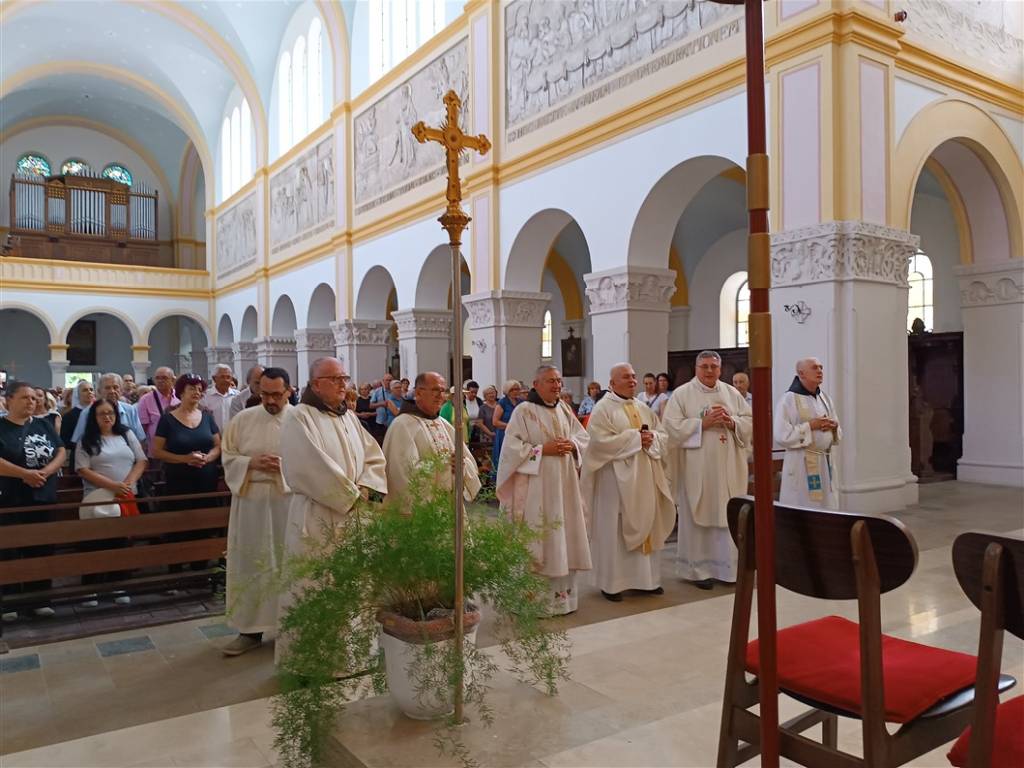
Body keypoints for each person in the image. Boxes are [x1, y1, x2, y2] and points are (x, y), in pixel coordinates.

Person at [277, 357, 387, 663]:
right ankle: (315, 662)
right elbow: (309, 465)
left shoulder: (348, 416)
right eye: (334, 379)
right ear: (315, 384)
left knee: (355, 586)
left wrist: (367, 486)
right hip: (318, 516)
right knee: (317, 584)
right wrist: (350, 495)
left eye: (344, 378)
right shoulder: (299, 417)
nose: (343, 384)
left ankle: (355, 657)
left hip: (355, 514)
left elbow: (373, 456)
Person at [495, 365, 590, 615]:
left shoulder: (564, 409)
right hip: (536, 488)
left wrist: (573, 445)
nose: (556, 385)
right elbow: (510, 450)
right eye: (550, 381)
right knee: (539, 534)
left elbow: (582, 437)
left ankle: (562, 600)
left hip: (565, 485)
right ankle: (532, 601)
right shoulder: (523, 411)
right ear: (536, 385)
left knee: (563, 532)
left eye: (558, 381)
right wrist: (542, 450)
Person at [581, 363, 675, 602]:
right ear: (612, 383)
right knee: (614, 528)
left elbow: (663, 436)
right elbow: (597, 443)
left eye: (633, 376)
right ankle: (612, 584)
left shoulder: (643, 408)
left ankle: (647, 581)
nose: (632, 381)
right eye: (626, 377)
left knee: (648, 521)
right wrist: (635, 439)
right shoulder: (603, 409)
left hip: (645, 477)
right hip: (614, 482)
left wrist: (651, 438)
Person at [662, 350, 752, 589]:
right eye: (704, 366)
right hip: (697, 467)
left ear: (720, 369)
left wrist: (732, 422)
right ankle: (698, 571)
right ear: (696, 368)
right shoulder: (682, 394)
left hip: (727, 467)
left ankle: (726, 569)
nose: (709, 370)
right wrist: (702, 424)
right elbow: (670, 428)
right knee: (697, 513)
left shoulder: (732, 393)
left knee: (727, 513)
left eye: (714, 366)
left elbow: (749, 421)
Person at [220, 367, 294, 656]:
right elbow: (228, 457)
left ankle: (291, 628)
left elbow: (313, 460)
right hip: (250, 502)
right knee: (250, 564)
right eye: (265, 394)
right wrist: (250, 463)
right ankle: (249, 630)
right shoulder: (243, 419)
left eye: (276, 394)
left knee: (289, 564)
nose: (270, 400)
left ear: (289, 392)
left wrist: (284, 467)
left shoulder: (302, 420)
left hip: (288, 501)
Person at [0, 381, 66, 618]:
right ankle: (9, 602)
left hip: (43, 496)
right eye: (25, 397)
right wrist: (24, 474)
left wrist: (45, 472)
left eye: (33, 398)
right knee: (9, 550)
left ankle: (39, 598)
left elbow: (60, 451)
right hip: (11, 499)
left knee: (41, 548)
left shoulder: (43, 424)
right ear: (8, 400)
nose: (31, 401)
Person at [74, 398, 148, 605]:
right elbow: (83, 469)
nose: (107, 417)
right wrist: (112, 485)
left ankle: (118, 585)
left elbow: (141, 460)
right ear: (94, 417)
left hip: (125, 496)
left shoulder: (126, 434)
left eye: (111, 413)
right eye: (102, 414)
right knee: (95, 544)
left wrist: (127, 483)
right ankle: (90, 588)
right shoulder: (86, 440)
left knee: (120, 543)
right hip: (97, 498)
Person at [152, 374, 221, 573]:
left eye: (200, 389)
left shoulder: (207, 417)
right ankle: (176, 567)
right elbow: (157, 451)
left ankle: (200, 566)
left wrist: (208, 457)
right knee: (179, 524)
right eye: (192, 389)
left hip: (205, 480)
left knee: (203, 524)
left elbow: (218, 445)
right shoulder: (168, 420)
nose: (197, 392)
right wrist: (184, 459)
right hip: (179, 481)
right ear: (181, 392)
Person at [383, 372, 481, 503]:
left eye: (443, 391)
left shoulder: (444, 424)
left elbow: (467, 460)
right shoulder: (402, 425)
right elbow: (403, 474)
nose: (440, 396)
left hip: (448, 503)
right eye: (435, 390)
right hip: (420, 510)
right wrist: (445, 465)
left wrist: (460, 464)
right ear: (418, 393)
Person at [774, 357, 842, 509]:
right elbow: (781, 435)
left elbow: (837, 427)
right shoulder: (788, 399)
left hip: (825, 462)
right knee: (804, 506)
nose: (820, 371)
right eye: (814, 367)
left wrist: (833, 426)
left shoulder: (825, 398)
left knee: (826, 506)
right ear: (801, 373)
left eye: (821, 367)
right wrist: (810, 426)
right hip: (801, 463)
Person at [70, 373, 146, 446]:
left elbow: (140, 438)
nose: (112, 391)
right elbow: (78, 441)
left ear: (121, 390)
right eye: (107, 388)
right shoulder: (87, 412)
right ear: (99, 391)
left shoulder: (130, 410)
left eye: (115, 387)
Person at [137, 367, 179, 455]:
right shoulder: (145, 400)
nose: (160, 381)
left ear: (173, 380)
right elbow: (143, 429)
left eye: (164, 378)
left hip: (179, 449)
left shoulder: (180, 397)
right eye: (157, 378)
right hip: (157, 452)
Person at [491, 380, 522, 476]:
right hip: (504, 435)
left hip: (518, 435)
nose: (516, 391)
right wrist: (510, 426)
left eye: (517, 389)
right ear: (507, 391)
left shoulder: (521, 402)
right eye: (513, 390)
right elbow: (495, 422)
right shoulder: (502, 402)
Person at [201, 364, 240, 432]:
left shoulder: (238, 396)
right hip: (212, 436)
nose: (226, 380)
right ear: (214, 379)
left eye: (228, 377)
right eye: (222, 377)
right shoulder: (205, 396)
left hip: (233, 436)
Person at [61, 379, 96, 454]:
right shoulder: (69, 416)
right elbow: (65, 439)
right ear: (78, 394)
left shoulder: (98, 411)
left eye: (91, 389)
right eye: (85, 390)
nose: (89, 392)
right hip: (79, 452)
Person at [369, 372, 394, 438]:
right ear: (383, 381)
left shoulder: (395, 391)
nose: (388, 382)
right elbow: (371, 405)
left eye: (390, 380)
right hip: (380, 422)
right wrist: (381, 404)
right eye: (387, 380)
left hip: (393, 422)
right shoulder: (377, 391)